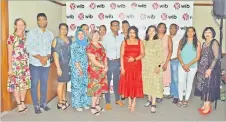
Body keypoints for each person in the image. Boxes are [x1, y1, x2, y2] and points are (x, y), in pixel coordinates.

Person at [26, 13, 53, 114]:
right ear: (37, 21)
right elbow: (29, 47)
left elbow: (51, 48)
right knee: (34, 84)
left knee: (44, 84)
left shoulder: (50, 34)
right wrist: (40, 57)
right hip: (35, 64)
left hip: (46, 64)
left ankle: (43, 103)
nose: (42, 21)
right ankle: (36, 105)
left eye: (43, 19)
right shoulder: (32, 33)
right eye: (39, 20)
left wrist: (46, 57)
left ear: (46, 21)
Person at [194, 27, 221, 115]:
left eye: (209, 32)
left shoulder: (214, 42)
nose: (207, 33)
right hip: (202, 68)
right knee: (204, 87)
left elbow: (216, 57)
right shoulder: (204, 43)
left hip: (211, 68)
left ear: (212, 33)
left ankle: (208, 106)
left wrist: (210, 69)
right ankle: (205, 104)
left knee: (208, 87)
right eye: (205, 32)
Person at [7, 18, 31, 113]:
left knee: (24, 85)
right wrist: (10, 69)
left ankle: (22, 101)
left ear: (25, 26)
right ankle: (18, 104)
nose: (21, 26)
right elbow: (9, 54)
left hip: (25, 65)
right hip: (15, 65)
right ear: (15, 26)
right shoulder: (12, 37)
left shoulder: (25, 37)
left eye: (22, 24)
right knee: (16, 85)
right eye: (19, 24)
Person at [119, 26, 145, 112]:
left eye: (134, 32)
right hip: (126, 66)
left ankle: (134, 101)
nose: (132, 34)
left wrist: (134, 59)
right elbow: (121, 56)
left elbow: (142, 54)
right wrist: (122, 67)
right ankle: (129, 99)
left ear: (136, 33)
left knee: (135, 83)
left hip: (136, 65)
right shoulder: (124, 42)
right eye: (130, 32)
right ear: (128, 33)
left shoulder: (140, 42)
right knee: (128, 83)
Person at [102, 20, 124, 110]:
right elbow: (103, 51)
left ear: (119, 27)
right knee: (107, 81)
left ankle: (117, 99)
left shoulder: (122, 37)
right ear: (111, 27)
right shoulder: (106, 37)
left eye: (117, 26)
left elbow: (123, 50)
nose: (115, 27)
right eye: (114, 26)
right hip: (109, 61)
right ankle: (107, 101)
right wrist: (105, 64)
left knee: (117, 81)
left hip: (118, 61)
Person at [177, 27, 201, 107]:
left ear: (194, 32)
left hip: (193, 66)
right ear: (186, 32)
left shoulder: (197, 42)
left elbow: (197, 57)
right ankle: (180, 99)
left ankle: (186, 99)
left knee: (189, 83)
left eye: (192, 31)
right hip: (182, 66)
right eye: (188, 31)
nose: (190, 33)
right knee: (181, 82)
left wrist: (188, 65)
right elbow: (179, 55)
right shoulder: (182, 41)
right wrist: (184, 64)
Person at [142, 25, 164, 113]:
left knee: (155, 84)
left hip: (155, 66)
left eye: (153, 30)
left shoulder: (158, 42)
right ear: (147, 32)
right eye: (149, 30)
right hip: (145, 66)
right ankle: (149, 100)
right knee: (147, 83)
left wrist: (158, 66)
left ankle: (153, 103)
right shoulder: (144, 42)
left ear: (155, 32)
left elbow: (161, 55)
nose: (151, 32)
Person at [86, 30, 108, 116]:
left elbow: (105, 57)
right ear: (91, 36)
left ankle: (97, 105)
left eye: (97, 35)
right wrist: (103, 67)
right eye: (94, 35)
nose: (96, 36)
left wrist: (106, 66)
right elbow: (93, 61)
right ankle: (92, 107)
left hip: (102, 70)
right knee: (95, 89)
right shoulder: (89, 46)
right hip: (94, 71)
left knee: (100, 89)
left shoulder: (100, 45)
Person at [70, 28, 91, 111]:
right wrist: (80, 70)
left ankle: (85, 103)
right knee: (77, 87)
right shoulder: (74, 45)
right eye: (78, 34)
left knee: (85, 86)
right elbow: (74, 59)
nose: (81, 36)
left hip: (86, 68)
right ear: (76, 36)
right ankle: (77, 104)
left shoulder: (87, 44)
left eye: (82, 34)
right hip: (77, 69)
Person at [52, 23, 72, 110]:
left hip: (69, 64)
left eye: (65, 29)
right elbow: (55, 54)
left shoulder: (69, 39)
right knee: (61, 83)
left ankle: (63, 100)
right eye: (62, 29)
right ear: (59, 29)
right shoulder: (56, 40)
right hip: (61, 64)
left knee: (65, 82)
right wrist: (58, 68)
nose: (64, 30)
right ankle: (59, 103)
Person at [157, 23, 172, 100]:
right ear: (158, 28)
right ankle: (156, 94)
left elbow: (170, 51)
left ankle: (161, 95)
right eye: (160, 27)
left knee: (163, 78)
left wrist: (166, 63)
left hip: (165, 61)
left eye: (163, 27)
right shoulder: (154, 37)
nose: (162, 29)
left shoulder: (168, 37)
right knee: (156, 78)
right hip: (155, 61)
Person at [169, 24, 182, 104]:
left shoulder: (180, 38)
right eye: (171, 28)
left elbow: (181, 50)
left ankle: (177, 96)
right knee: (170, 79)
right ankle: (172, 93)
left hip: (175, 60)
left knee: (175, 79)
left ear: (177, 29)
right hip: (167, 61)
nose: (172, 29)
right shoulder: (167, 37)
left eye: (174, 28)